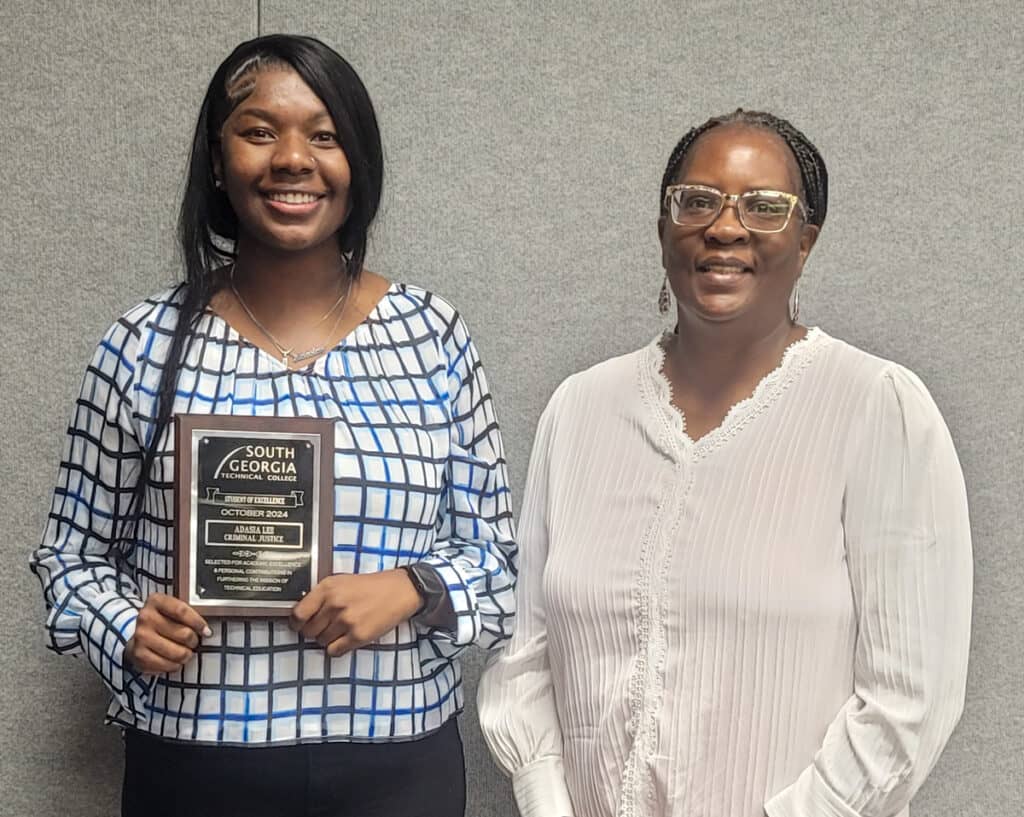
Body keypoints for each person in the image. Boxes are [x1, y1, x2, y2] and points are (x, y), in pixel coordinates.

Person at [30, 34, 515, 817]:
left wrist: (411, 586)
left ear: (358, 160)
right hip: (194, 758)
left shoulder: (433, 333)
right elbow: (68, 556)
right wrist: (125, 624)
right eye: (260, 131)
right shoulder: (143, 340)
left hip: (398, 761)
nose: (294, 158)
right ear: (218, 162)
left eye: (324, 135)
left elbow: (499, 558)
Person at [478, 110, 972, 817]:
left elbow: (907, 700)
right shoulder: (580, 409)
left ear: (806, 242)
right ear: (662, 227)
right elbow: (526, 653)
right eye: (698, 200)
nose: (725, 227)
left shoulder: (877, 409)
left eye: (766, 208)